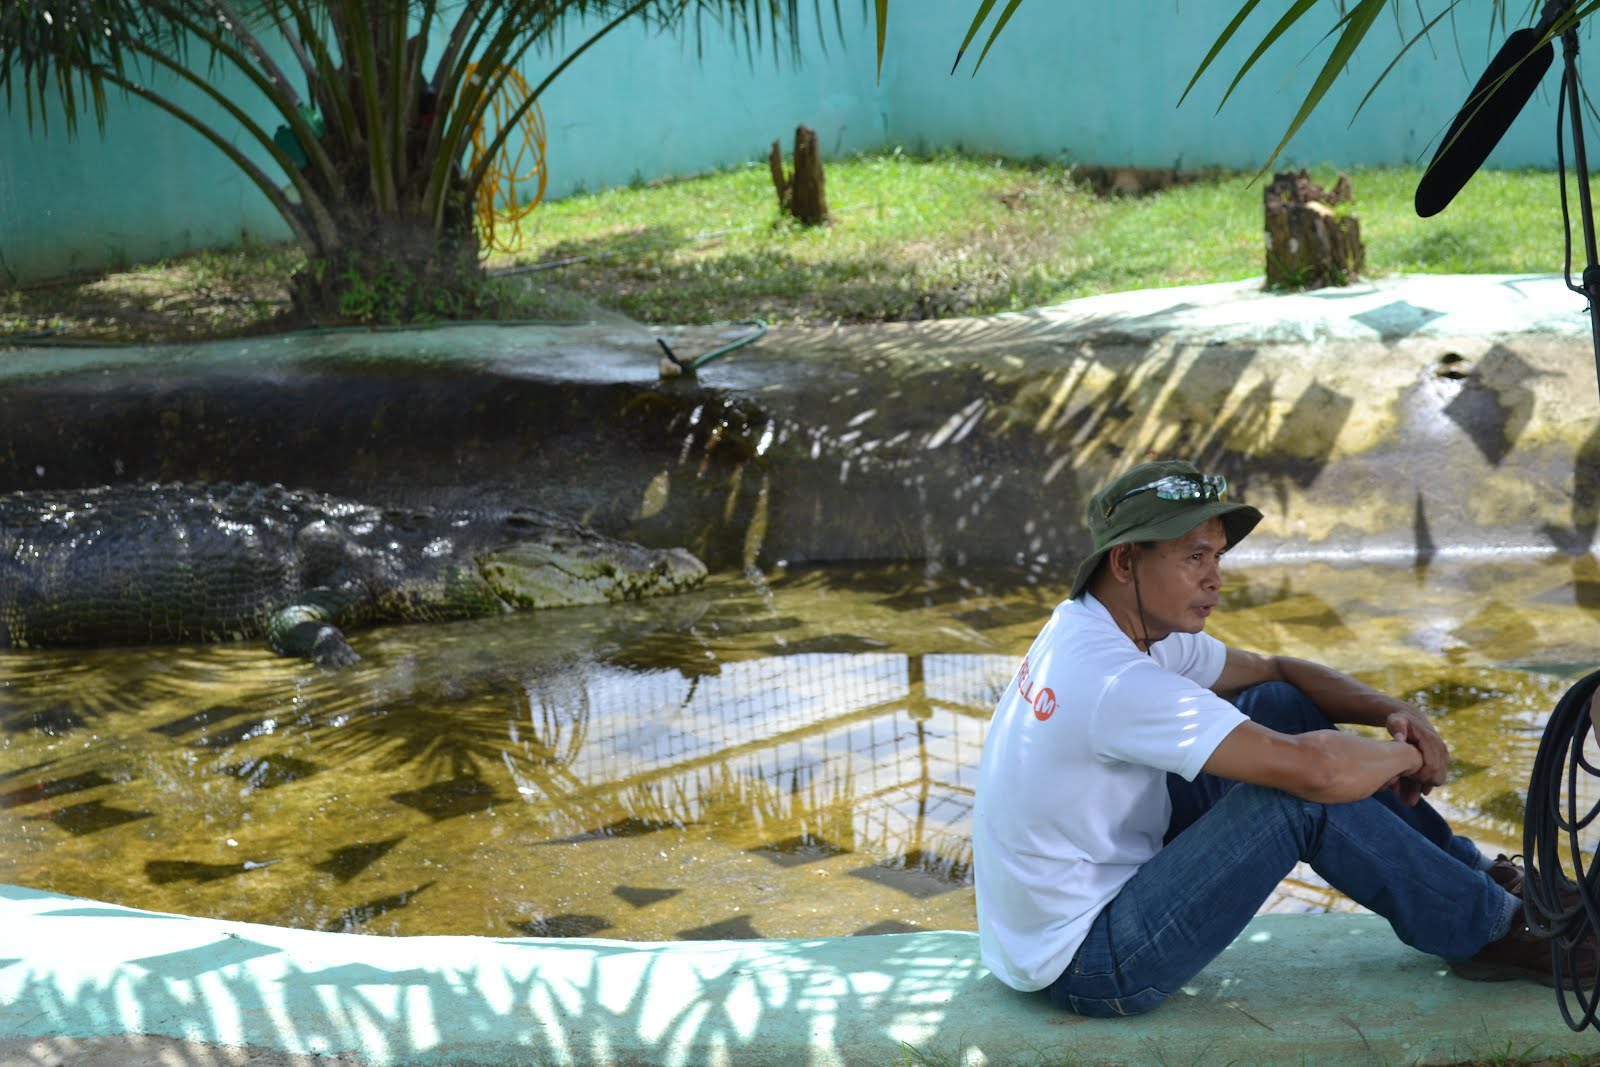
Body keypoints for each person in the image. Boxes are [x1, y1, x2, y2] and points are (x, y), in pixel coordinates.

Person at [971, 458, 1589, 1017]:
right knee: (1299, 799)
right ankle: (1498, 931)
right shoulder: (1113, 677)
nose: (1216, 579)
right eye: (1194, 558)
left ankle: (1475, 872)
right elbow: (1318, 774)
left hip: (1078, 909)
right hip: (1088, 963)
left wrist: (1396, 710)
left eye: (1217, 557)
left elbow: (1275, 670)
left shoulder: (1104, 624)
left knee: (1277, 706)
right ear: (1126, 561)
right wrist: (1405, 755)